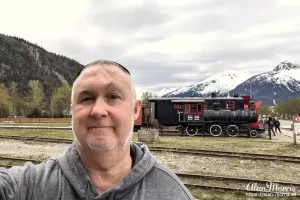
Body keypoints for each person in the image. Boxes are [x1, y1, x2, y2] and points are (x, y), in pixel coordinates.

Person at [0, 60, 194, 200]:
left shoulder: (173, 192)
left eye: (113, 96)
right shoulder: (27, 186)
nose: (98, 110)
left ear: (135, 110)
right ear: (73, 111)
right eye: (86, 98)